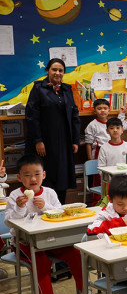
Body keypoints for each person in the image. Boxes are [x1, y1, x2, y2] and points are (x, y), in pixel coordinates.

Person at [5, 154, 85, 294]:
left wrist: (46, 207)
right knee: (40, 260)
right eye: (27, 175)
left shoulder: (49, 193)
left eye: (37, 174)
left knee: (75, 252)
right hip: (24, 242)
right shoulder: (14, 195)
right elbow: (9, 222)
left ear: (44, 175)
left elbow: (60, 213)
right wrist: (20, 207)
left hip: (51, 240)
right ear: (19, 178)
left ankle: (84, 290)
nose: (33, 179)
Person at [25, 57, 80, 203]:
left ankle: (59, 207)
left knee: (62, 177)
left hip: (64, 142)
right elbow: (32, 116)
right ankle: (43, 208)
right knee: (45, 176)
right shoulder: (38, 89)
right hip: (45, 141)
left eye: (61, 70)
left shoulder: (67, 89)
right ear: (47, 71)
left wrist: (75, 140)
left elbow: (74, 115)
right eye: (54, 69)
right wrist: (38, 140)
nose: (57, 73)